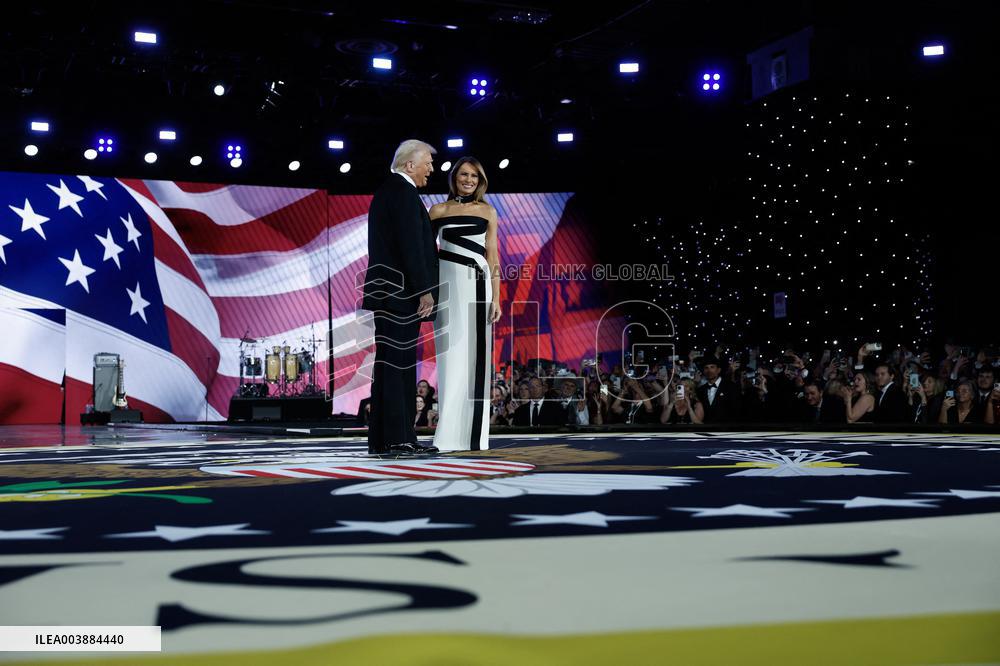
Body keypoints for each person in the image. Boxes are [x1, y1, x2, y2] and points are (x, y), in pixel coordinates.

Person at [361, 139, 440, 456]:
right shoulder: (404, 193)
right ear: (410, 165)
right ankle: (400, 439)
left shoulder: (387, 192)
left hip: (388, 295)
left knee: (387, 366)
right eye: (428, 164)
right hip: (402, 295)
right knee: (400, 366)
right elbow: (411, 247)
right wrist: (424, 290)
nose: (431, 169)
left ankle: (382, 438)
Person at [429, 157, 502, 450]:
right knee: (449, 357)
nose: (469, 179)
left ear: (480, 180)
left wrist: (496, 297)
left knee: (475, 359)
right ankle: (447, 434)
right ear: (454, 178)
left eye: (474, 175)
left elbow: (493, 256)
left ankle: (475, 437)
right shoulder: (438, 210)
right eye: (464, 174)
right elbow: (424, 253)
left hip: (478, 286)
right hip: (446, 289)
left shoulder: (487, 211)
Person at [696, 356, 742, 423]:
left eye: (712, 367)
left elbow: (737, 411)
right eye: (706, 368)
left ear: (718, 370)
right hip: (706, 429)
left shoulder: (731, 387)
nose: (709, 371)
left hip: (726, 430)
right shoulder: (700, 390)